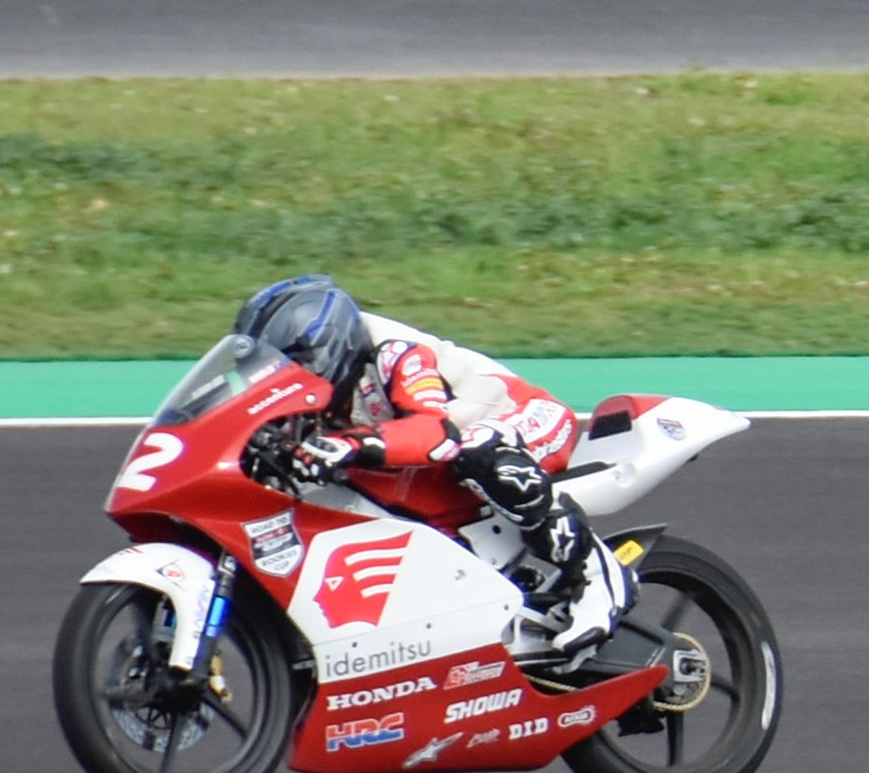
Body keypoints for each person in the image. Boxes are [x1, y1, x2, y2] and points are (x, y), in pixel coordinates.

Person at [229, 274, 631, 658]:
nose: (279, 384)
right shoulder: (311, 394)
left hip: (521, 418)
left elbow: (435, 434)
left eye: (286, 369)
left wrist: (347, 445)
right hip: (441, 453)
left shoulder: (396, 351)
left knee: (481, 452)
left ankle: (597, 574)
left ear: (323, 349)